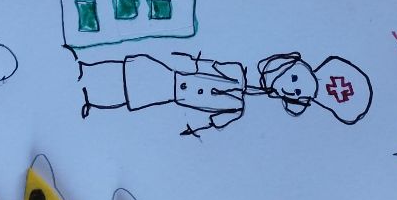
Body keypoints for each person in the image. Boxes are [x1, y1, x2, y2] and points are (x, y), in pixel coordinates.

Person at [78, 50, 372, 137]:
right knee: (135, 71)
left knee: (134, 96)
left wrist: (198, 127)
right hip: (174, 77)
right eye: (294, 77)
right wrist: (192, 62)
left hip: (173, 93)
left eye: (295, 91)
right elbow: (208, 65)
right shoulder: (237, 73)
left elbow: (216, 119)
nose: (288, 85)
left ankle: (92, 99)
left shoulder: (237, 105)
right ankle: (87, 70)